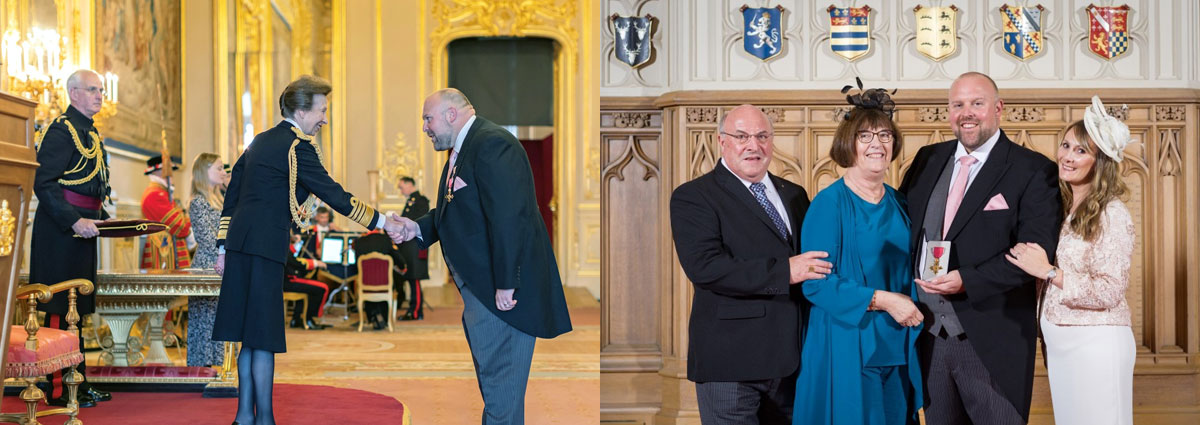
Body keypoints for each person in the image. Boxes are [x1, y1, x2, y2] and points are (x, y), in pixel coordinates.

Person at [212, 75, 406, 425]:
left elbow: (232, 197)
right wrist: (381, 222)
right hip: (266, 247)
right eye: (322, 110)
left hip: (240, 246)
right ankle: (265, 420)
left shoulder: (259, 140)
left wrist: (222, 247)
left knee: (246, 336)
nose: (324, 118)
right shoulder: (297, 147)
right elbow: (333, 194)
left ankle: (244, 418)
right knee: (263, 335)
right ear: (301, 110)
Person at [391, 88, 572, 424]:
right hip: (484, 290)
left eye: (427, 119)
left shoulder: (491, 143)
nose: (425, 128)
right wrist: (414, 229)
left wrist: (506, 284)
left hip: (500, 295)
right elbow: (456, 212)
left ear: (450, 114)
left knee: (501, 392)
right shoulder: (465, 149)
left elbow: (508, 218)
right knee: (497, 389)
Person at [898, 72, 1061, 424]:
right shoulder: (927, 160)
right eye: (958, 105)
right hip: (929, 335)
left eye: (977, 103)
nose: (966, 112)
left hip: (993, 339)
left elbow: (1034, 253)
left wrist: (966, 280)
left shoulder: (1033, 170)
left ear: (998, 108)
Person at [669, 104, 831, 424]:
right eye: (741, 136)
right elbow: (706, 267)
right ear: (721, 141)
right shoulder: (694, 196)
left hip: (793, 363)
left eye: (762, 136)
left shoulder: (794, 194)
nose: (753, 145)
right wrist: (786, 271)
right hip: (730, 362)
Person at [793, 88, 924, 425]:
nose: (876, 144)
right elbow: (816, 284)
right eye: (864, 136)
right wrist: (885, 300)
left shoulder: (901, 202)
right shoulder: (829, 204)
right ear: (847, 144)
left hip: (897, 340)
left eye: (884, 135)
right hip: (848, 340)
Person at [1006, 96, 1135, 425]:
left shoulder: (1111, 213)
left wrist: (1049, 272)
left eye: (1081, 151)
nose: (1066, 156)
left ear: (1100, 161)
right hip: (1061, 345)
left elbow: (1110, 291)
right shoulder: (1063, 210)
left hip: (1096, 345)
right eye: (1065, 145)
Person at [30, 68, 113, 407]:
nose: (99, 96)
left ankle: (79, 381)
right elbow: (44, 184)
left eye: (101, 90)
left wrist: (104, 218)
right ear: (74, 93)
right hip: (59, 233)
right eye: (92, 90)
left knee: (77, 309)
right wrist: (74, 221)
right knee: (59, 307)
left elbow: (89, 187)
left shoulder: (90, 134)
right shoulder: (61, 131)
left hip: (83, 230)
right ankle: (58, 388)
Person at [186, 153, 228, 367]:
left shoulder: (220, 199)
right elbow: (207, 237)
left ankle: (220, 364)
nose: (224, 172)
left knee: (219, 316)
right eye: (219, 168)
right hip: (209, 264)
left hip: (223, 261)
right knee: (205, 318)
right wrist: (225, 254)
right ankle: (203, 365)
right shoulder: (198, 201)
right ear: (205, 171)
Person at [140, 156, 193, 269]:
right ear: (159, 172)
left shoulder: (162, 193)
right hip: (163, 250)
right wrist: (185, 220)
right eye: (168, 171)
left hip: (170, 248)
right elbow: (180, 226)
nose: (171, 175)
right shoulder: (154, 195)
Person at [352, 228, 407, 329]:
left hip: (366, 284)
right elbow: (399, 260)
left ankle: (372, 316)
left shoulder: (359, 242)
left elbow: (356, 266)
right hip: (384, 285)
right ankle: (384, 318)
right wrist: (403, 267)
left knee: (362, 282)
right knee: (392, 280)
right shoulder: (386, 240)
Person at [397, 176, 430, 320]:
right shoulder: (412, 200)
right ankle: (413, 309)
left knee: (414, 278)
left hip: (415, 246)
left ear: (410, 184)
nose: (400, 190)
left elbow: (417, 221)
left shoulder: (421, 200)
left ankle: (416, 311)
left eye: (401, 186)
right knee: (411, 278)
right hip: (409, 247)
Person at [283, 241, 333, 330]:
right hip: (289, 281)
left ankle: (297, 319)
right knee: (322, 288)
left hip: (290, 279)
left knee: (315, 287)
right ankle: (309, 319)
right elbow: (295, 263)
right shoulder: (283, 245)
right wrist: (315, 263)